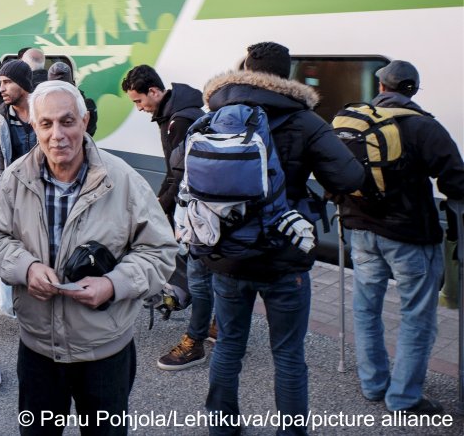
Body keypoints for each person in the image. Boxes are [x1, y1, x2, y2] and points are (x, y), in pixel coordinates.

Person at [0, 80, 177, 436]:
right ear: (33, 126)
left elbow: (161, 251)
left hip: (105, 354)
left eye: (67, 121)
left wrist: (112, 284)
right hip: (38, 351)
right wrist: (26, 268)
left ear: (85, 122)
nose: (58, 134)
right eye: (47, 123)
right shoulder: (14, 179)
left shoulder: (123, 181)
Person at [201, 42, 364, 435]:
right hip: (283, 256)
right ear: (285, 74)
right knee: (288, 355)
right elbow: (349, 178)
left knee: (228, 344)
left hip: (227, 253)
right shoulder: (305, 121)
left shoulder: (218, 113)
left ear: (246, 69)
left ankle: (221, 427)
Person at [339, 60, 464, 414]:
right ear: (412, 91)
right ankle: (404, 397)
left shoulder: (355, 122)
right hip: (410, 236)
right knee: (417, 316)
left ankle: (373, 383)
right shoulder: (425, 127)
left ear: (381, 88)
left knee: (366, 307)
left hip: (361, 231)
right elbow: (455, 180)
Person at [122, 64, 211, 370]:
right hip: (197, 206)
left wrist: (160, 206)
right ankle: (213, 323)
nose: (139, 107)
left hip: (196, 210)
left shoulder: (179, 121)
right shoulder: (178, 114)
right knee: (201, 270)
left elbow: (178, 174)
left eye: (139, 101)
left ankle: (196, 336)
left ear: (155, 92)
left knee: (197, 273)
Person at [0, 59, 36, 209]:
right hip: (14, 201)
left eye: (7, 82)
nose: (1, 89)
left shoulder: (46, 118)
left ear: (23, 84)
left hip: (44, 198)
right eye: (0, 83)